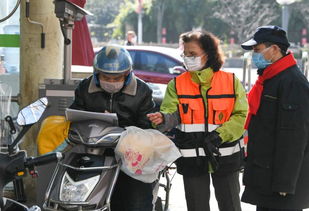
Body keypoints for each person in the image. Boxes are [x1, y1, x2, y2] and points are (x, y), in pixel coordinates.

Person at [147, 30, 248, 211]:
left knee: (230, 205)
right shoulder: (176, 84)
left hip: (225, 156)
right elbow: (171, 114)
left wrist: (219, 135)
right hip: (192, 160)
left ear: (208, 54)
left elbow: (241, 116)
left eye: (192, 54)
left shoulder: (231, 81)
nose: (187, 58)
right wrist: (163, 119)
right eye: (185, 54)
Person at [70, 44, 156, 211]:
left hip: (131, 154)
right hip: (93, 152)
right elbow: (76, 114)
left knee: (136, 202)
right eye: (106, 78)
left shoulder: (142, 90)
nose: (111, 82)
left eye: (116, 78)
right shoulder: (84, 87)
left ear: (127, 74)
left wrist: (120, 129)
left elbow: (146, 126)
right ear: (96, 74)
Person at [240, 25, 309, 211]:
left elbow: (294, 138)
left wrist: (285, 184)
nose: (254, 55)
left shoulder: (293, 82)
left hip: (281, 184)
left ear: (275, 49)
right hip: (266, 176)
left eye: (257, 49)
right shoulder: (270, 78)